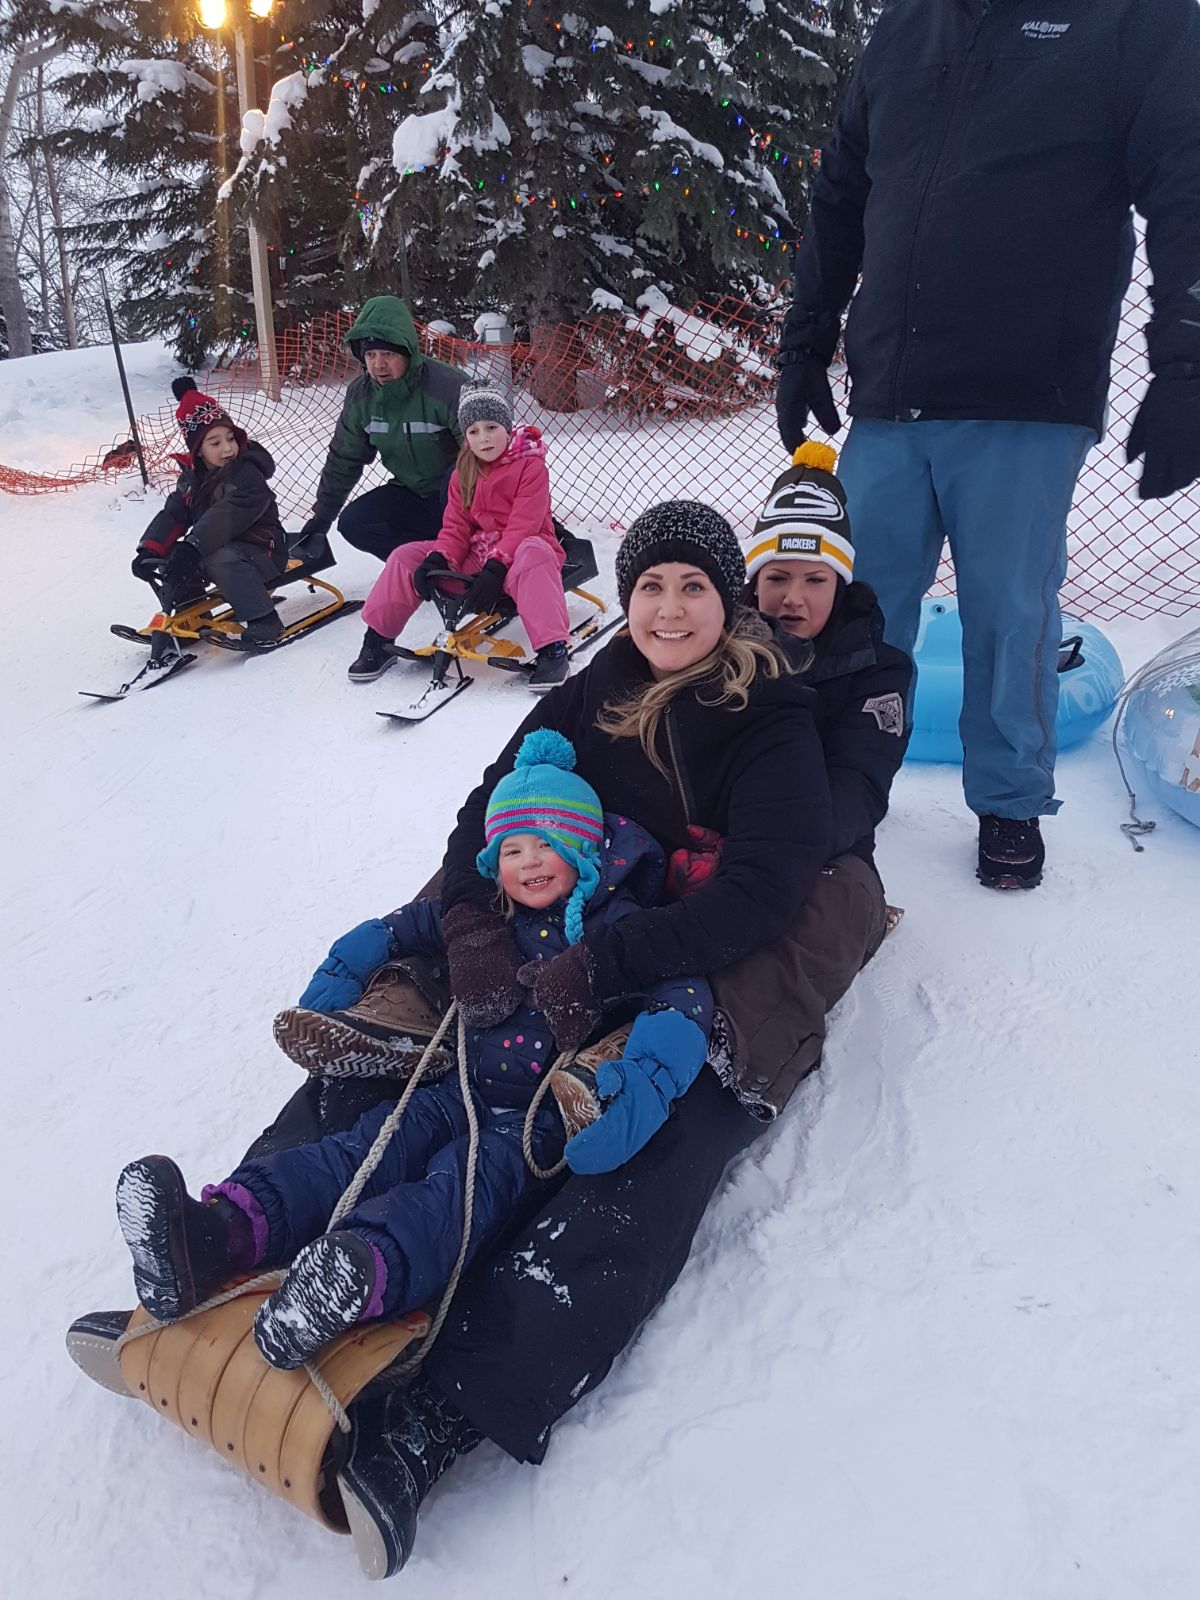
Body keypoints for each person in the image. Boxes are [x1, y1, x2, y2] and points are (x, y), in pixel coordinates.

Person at [69, 503, 893, 1579]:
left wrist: (609, 967)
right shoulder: (596, 688)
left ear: (725, 602)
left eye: (693, 587)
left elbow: (765, 884)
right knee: (401, 1043)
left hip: (698, 942)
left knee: (651, 1141)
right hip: (565, 900)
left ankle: (436, 1421)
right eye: (650, 587)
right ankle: (215, 1236)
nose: (668, 607)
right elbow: (485, 808)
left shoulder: (768, 715)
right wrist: (465, 926)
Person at [111, 729, 712, 1374]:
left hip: (533, 1124)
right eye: (512, 848)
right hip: (455, 1090)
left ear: (586, 849)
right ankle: (214, 1232)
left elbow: (682, 997)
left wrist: (640, 1092)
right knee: (363, 1150)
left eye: (549, 844)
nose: (530, 862)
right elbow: (395, 927)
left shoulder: (619, 926)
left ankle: (357, 1275)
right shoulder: (489, 913)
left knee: (458, 1190)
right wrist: (339, 980)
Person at [775, 0, 1200, 891]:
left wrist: (1188, 362)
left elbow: (1185, 181)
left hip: (1026, 394)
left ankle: (1008, 805)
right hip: (889, 396)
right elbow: (843, 193)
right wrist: (805, 339)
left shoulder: (1135, 21)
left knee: (1011, 615)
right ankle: (844, 791)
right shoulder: (905, 27)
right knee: (855, 611)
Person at [347, 384, 573, 691]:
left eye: (491, 427)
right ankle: (377, 637)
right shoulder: (462, 473)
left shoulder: (530, 467)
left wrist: (497, 568)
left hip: (522, 553)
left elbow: (524, 525)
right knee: (406, 556)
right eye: (474, 431)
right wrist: (440, 557)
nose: (484, 438)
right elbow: (456, 527)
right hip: (478, 555)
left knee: (534, 552)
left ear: (507, 428)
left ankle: (552, 649)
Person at [295, 295, 468, 564]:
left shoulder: (448, 386)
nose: (378, 364)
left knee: (456, 478)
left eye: (388, 354)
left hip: (464, 496)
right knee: (355, 522)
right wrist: (322, 518)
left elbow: (486, 452)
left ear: (407, 352)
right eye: (371, 355)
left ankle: (468, 558)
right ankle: (422, 566)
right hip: (413, 494)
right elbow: (344, 459)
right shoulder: (361, 397)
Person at [132, 377, 288, 650]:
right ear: (198, 452)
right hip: (221, 547)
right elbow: (175, 513)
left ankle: (264, 619)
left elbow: (227, 515)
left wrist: (193, 547)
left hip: (264, 550)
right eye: (215, 443)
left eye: (230, 439)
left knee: (216, 556)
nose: (228, 448)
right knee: (172, 558)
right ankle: (192, 616)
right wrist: (150, 549)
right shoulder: (193, 479)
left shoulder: (246, 473)